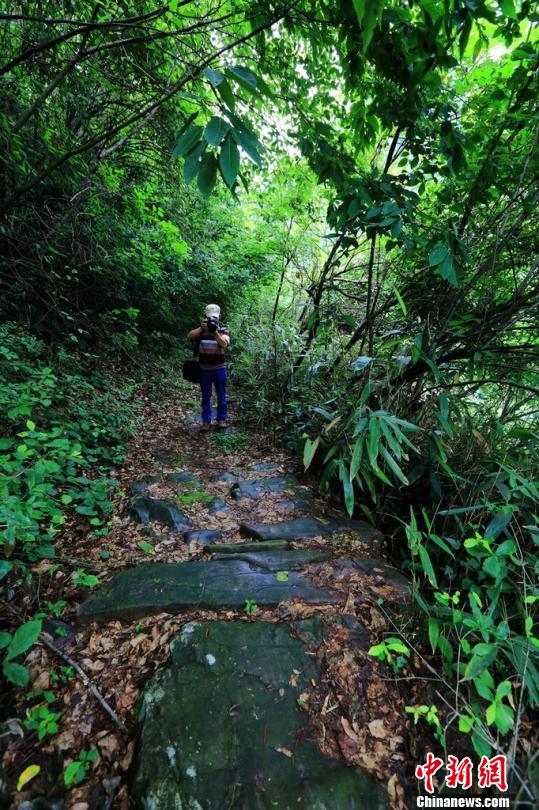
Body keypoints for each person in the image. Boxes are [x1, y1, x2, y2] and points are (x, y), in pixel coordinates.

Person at [187, 304, 230, 431]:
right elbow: (189, 336)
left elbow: (224, 344)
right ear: (206, 316)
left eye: (215, 317)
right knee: (206, 397)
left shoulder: (223, 329)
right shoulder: (202, 329)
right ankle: (206, 421)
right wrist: (201, 328)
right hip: (204, 369)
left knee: (221, 396)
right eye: (211, 317)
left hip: (219, 368)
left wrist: (215, 332)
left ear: (219, 316)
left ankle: (221, 419)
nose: (213, 320)